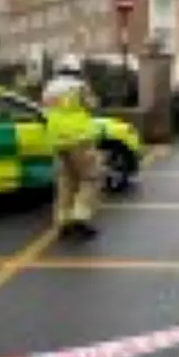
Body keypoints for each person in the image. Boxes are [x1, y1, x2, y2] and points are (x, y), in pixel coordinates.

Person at [42, 54, 101, 237]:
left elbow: (46, 110)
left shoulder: (49, 89)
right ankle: (80, 219)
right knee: (89, 178)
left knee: (66, 181)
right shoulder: (79, 87)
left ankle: (63, 222)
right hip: (79, 138)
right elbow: (93, 105)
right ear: (77, 71)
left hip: (57, 140)